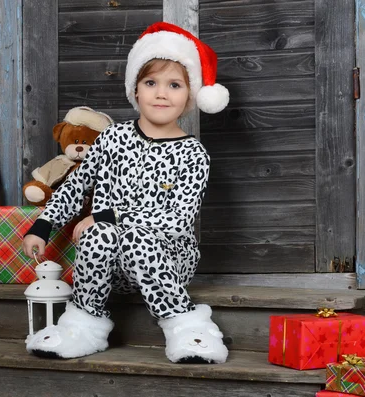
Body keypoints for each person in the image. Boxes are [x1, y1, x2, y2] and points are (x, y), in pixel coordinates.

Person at [22, 22, 230, 364]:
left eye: (174, 85)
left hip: (165, 260)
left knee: (130, 235)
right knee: (99, 234)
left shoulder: (194, 155)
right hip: (108, 267)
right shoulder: (113, 137)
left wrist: (106, 216)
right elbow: (77, 184)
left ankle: (184, 324)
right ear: (135, 89)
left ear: (190, 95)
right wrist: (42, 226)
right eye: (151, 83)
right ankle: (84, 325)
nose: (161, 94)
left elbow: (176, 220)